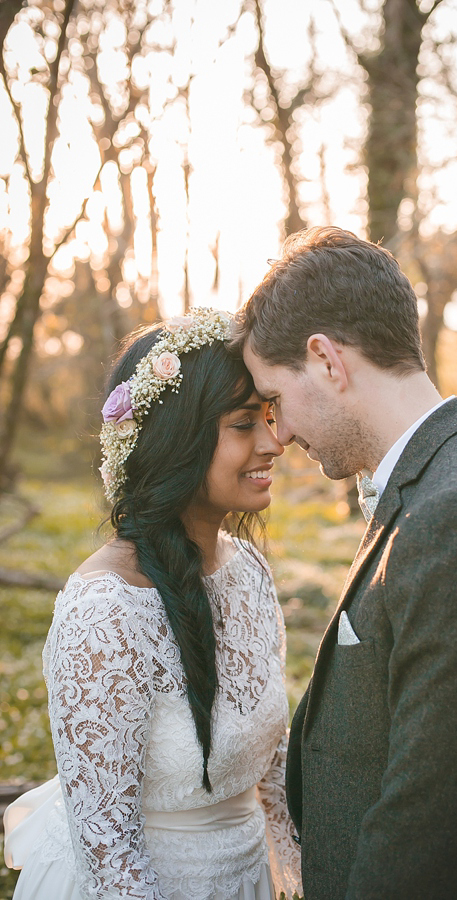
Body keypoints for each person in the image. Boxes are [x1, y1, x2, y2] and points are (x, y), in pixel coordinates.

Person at [232, 227, 457, 900]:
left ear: (326, 360)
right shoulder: (437, 487)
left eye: (275, 400)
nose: (277, 433)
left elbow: (424, 827)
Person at [3, 307, 302, 900]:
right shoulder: (105, 613)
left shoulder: (250, 573)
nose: (275, 443)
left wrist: (298, 867)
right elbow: (110, 851)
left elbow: (269, 757)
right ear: (178, 439)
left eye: (269, 416)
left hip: (246, 880)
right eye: (245, 423)